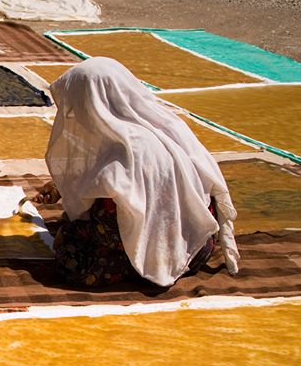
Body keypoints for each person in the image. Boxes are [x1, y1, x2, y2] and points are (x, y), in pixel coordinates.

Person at [33, 57, 240, 288]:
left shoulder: (127, 153)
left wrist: (70, 230)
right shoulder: (163, 125)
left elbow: (109, 230)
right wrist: (63, 187)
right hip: (200, 242)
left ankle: (151, 266)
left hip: (165, 251)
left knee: (71, 257)